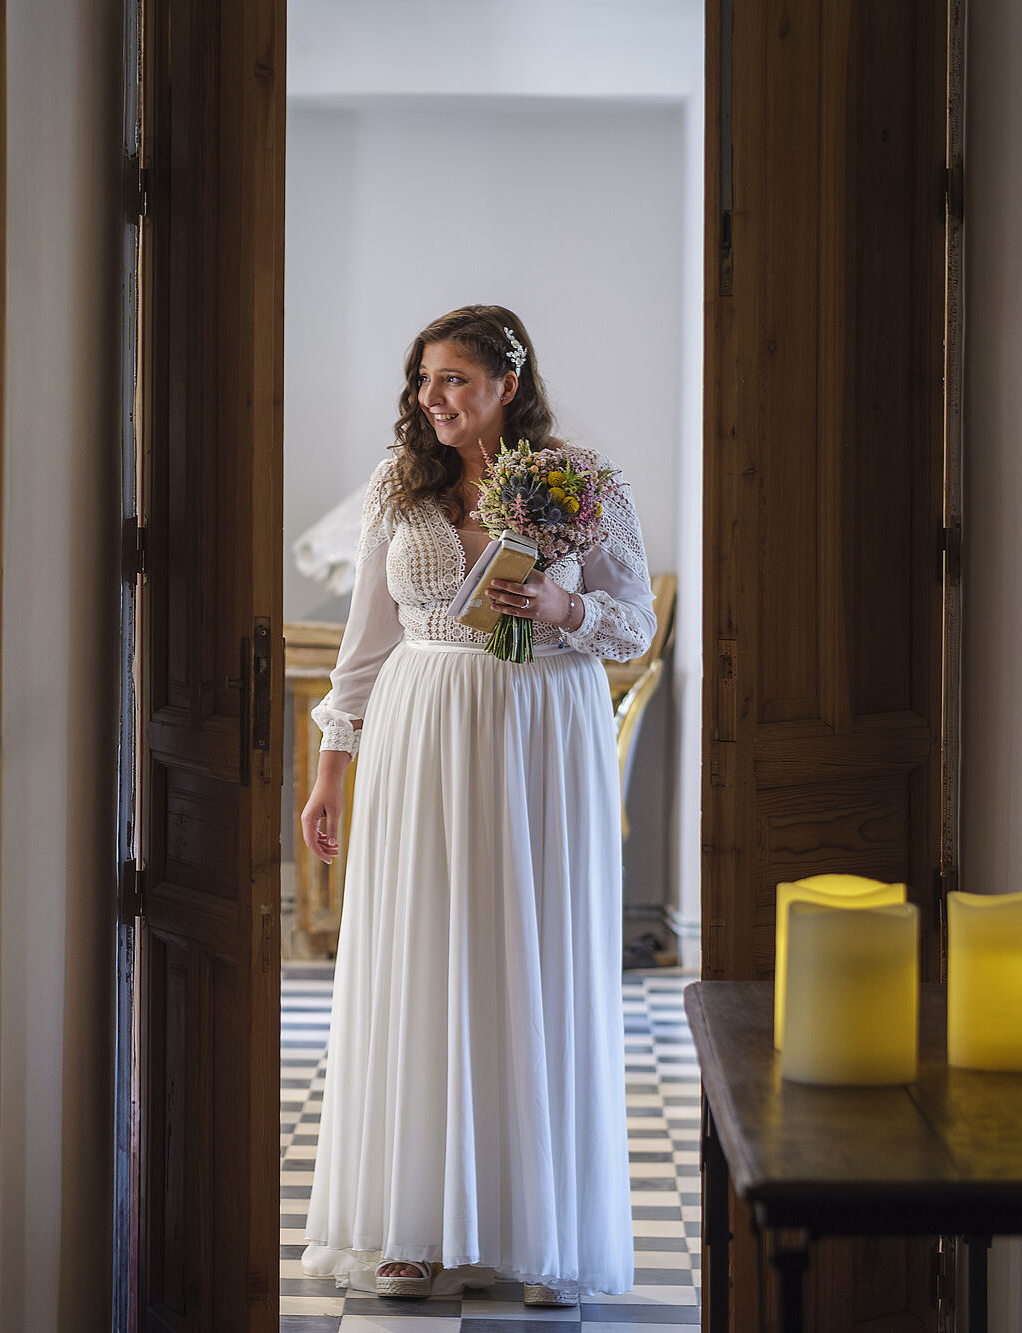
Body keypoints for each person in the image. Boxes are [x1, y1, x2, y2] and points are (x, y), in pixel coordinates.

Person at [298, 305, 652, 1306]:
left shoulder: (578, 481)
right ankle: (410, 1229)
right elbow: (362, 645)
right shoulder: (395, 484)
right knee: (422, 953)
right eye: (422, 381)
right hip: (422, 723)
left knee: (532, 958)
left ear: (507, 382)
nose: (430, 399)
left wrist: (562, 607)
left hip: (542, 724)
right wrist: (331, 768)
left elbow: (634, 623)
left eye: (452, 379)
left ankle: (540, 1238)